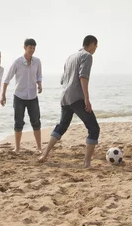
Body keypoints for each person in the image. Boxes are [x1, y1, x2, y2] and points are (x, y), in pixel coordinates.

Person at [39, 35, 100, 168]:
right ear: (91, 44)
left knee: (62, 126)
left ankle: (44, 154)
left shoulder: (71, 57)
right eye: (96, 46)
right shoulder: (87, 56)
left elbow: (62, 80)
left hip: (65, 97)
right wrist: (86, 99)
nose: (95, 49)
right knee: (94, 128)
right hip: (76, 98)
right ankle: (87, 162)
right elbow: (83, 77)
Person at [0, 38, 43, 154]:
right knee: (18, 122)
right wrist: (3, 95)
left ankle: (39, 147)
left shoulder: (37, 62)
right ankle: (17, 147)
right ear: (25, 47)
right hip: (19, 97)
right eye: (30, 48)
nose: (32, 50)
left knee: (36, 122)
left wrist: (39, 85)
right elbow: (6, 79)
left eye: (34, 48)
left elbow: (39, 76)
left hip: (33, 97)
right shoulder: (17, 62)